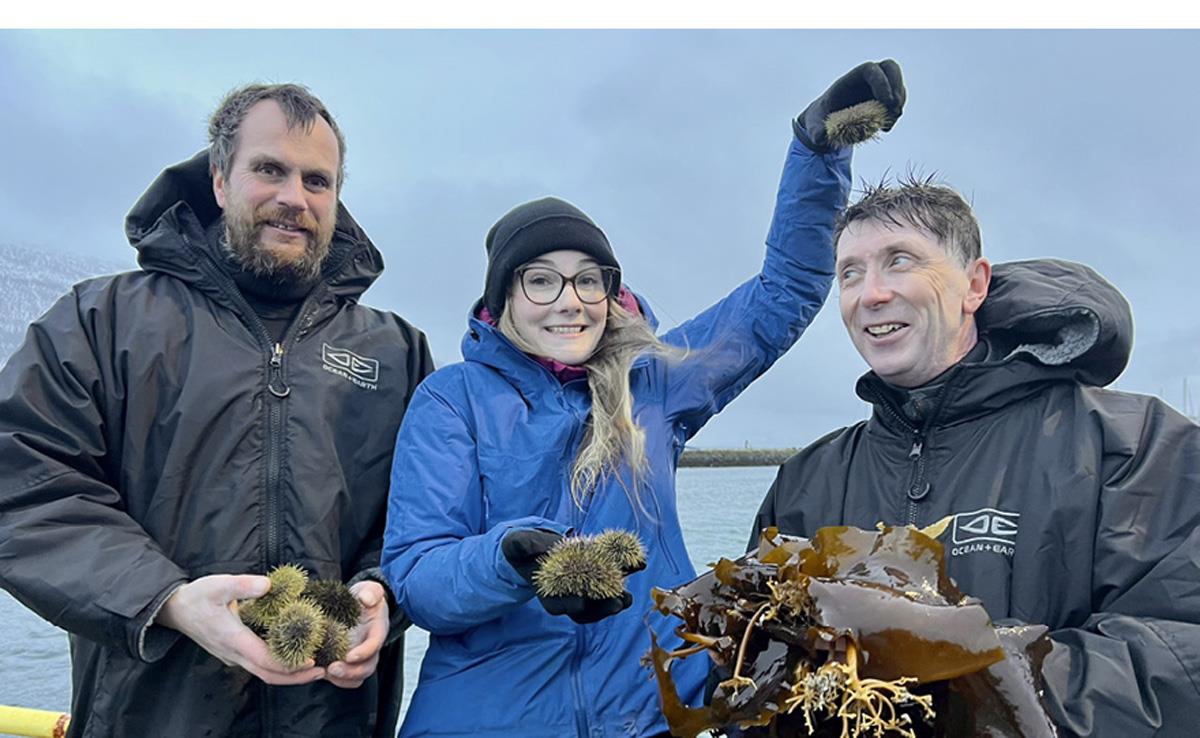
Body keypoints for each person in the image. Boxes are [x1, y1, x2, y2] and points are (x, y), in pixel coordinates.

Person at [381, 60, 906, 738]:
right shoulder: (450, 400)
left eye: (587, 280)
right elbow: (419, 577)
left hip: (654, 715)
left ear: (610, 291)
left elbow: (785, 291)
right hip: (486, 720)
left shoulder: (655, 382)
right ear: (503, 298)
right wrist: (510, 558)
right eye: (540, 281)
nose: (568, 302)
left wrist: (819, 150)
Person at [0, 83, 434, 737]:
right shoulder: (101, 322)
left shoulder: (396, 350)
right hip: (151, 716)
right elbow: (24, 487)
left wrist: (382, 594)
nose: (294, 197)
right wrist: (166, 600)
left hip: (335, 720)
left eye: (317, 180)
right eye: (270, 169)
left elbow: (428, 518)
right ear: (220, 180)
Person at [752, 177, 1200, 736]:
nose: (870, 294)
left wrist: (963, 684)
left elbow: (1179, 656)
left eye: (900, 262)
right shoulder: (807, 480)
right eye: (850, 272)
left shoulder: (1134, 444)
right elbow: (756, 667)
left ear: (974, 285)